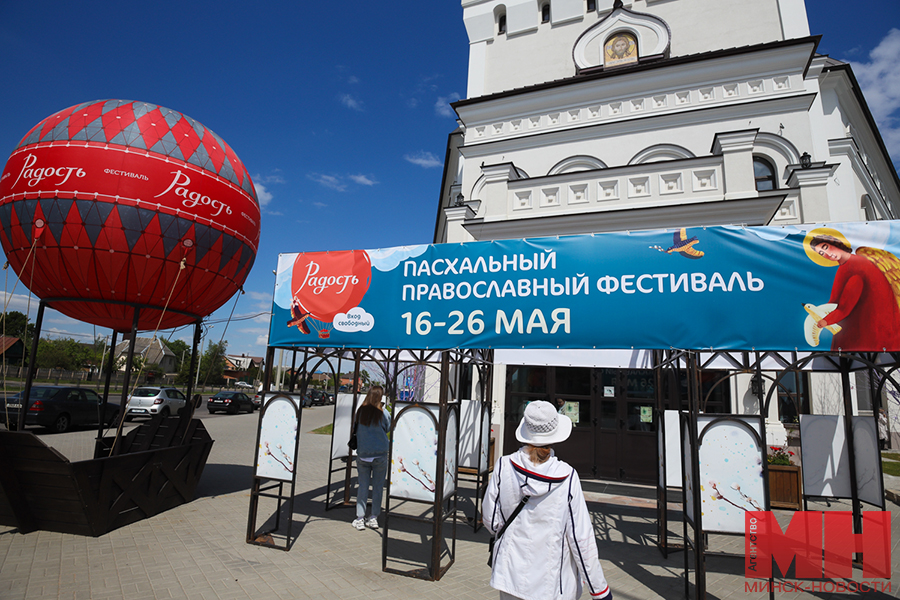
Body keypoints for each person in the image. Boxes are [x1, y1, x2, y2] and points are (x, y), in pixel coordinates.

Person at [483, 401, 612, 600]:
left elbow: (491, 520)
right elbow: (580, 537)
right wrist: (599, 589)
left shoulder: (503, 466)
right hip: (552, 583)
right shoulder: (567, 476)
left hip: (510, 577)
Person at [810, 235, 900, 351]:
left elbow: (844, 306)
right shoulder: (845, 268)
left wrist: (825, 321)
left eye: (825, 247)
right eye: (821, 254)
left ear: (834, 243)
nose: (827, 254)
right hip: (876, 328)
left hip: (871, 328)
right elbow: (834, 303)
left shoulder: (855, 267)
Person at [352, 385, 390, 531]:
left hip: (363, 454)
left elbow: (355, 428)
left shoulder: (360, 411)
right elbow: (388, 427)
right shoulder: (383, 412)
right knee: (378, 487)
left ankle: (360, 518)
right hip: (380, 454)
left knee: (363, 486)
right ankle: (373, 517)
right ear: (380, 397)